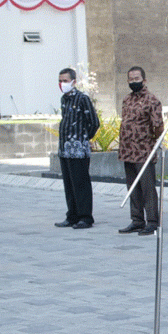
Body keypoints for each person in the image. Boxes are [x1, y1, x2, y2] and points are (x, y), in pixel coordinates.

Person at [117, 66, 164, 236]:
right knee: (132, 187)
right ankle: (137, 220)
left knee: (147, 188)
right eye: (130, 79)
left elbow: (158, 126)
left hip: (143, 151)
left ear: (144, 80)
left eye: (136, 78)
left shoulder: (152, 100)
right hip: (127, 150)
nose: (133, 82)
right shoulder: (126, 99)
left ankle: (152, 221)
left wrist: (155, 144)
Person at [54, 68, 100, 230]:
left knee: (81, 183)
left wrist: (83, 138)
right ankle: (72, 215)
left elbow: (94, 122)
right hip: (65, 149)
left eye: (65, 81)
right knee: (69, 184)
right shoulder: (64, 100)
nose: (62, 84)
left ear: (74, 82)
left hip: (79, 149)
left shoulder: (82, 99)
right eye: (60, 80)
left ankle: (85, 217)